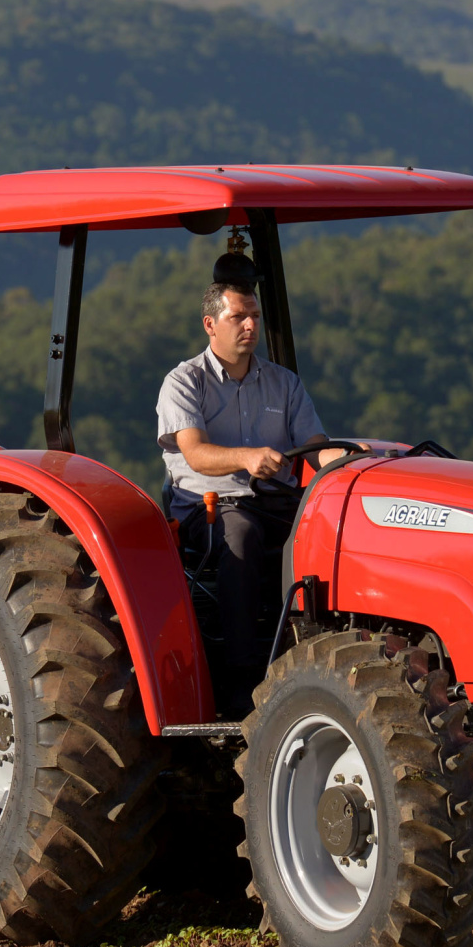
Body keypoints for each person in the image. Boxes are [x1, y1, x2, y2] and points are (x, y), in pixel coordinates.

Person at [156, 279, 343, 716]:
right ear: (210, 324)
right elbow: (196, 454)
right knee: (240, 536)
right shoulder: (184, 382)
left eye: (254, 316)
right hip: (210, 507)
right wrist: (246, 457)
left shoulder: (284, 384)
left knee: (332, 531)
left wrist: (353, 457)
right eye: (238, 316)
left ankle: (319, 657)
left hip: (274, 501)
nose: (249, 325)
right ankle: (243, 679)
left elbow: (316, 445)